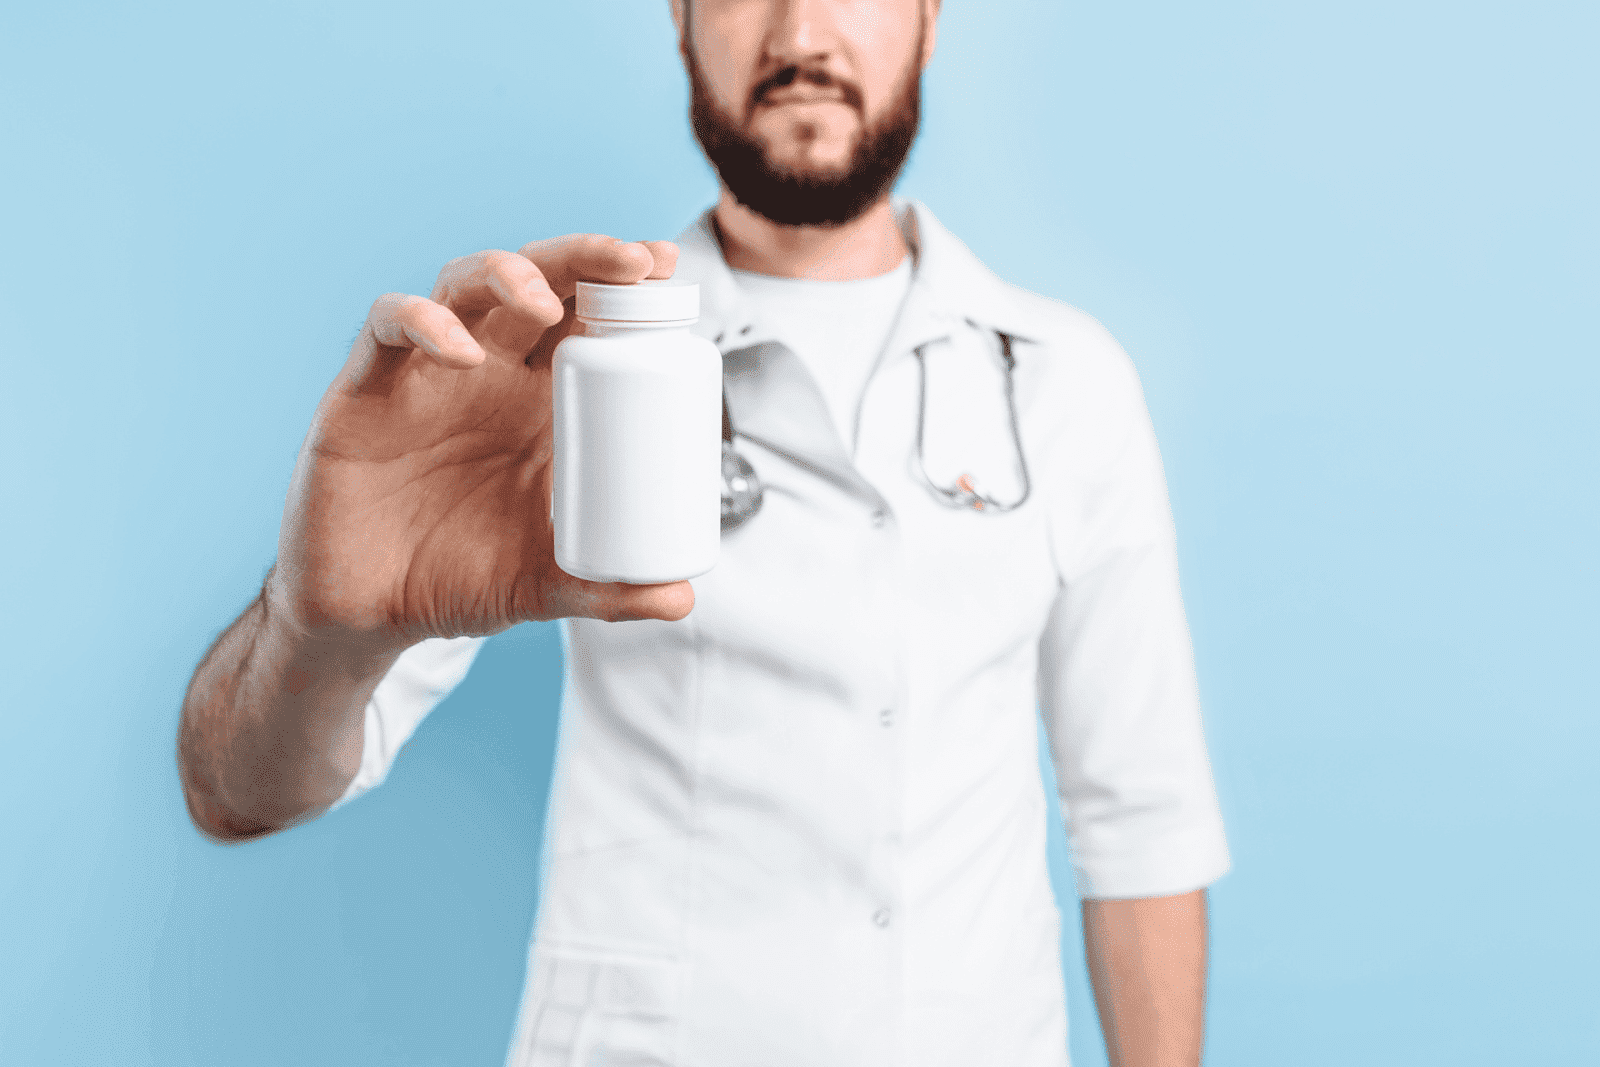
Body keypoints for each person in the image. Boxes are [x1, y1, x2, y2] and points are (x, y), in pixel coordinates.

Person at [177, 1, 1231, 1064]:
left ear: (928, 17)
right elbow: (236, 794)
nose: (800, 34)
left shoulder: (1065, 379)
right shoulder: (552, 372)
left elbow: (1140, 820)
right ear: (679, 22)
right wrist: (319, 630)